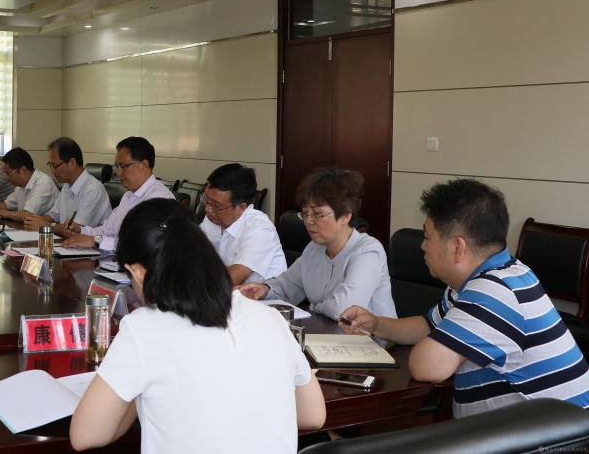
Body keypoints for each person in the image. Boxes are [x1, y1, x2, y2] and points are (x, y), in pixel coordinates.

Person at [70, 199, 325, 453]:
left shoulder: (143, 328)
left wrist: (138, 388)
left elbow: (85, 436)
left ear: (138, 272)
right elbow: (313, 416)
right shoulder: (270, 317)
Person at [340, 179, 589, 418]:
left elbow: (427, 367)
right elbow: (428, 325)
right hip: (526, 430)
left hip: (558, 436)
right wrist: (377, 324)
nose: (423, 246)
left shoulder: (496, 290)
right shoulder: (493, 274)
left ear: (457, 247)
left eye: (427, 237)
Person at [238, 167, 395, 321]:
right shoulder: (314, 249)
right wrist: (264, 289)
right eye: (305, 214)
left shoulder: (368, 252)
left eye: (318, 214)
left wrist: (313, 307)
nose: (309, 222)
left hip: (368, 337)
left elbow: (343, 310)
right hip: (325, 332)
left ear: (345, 216)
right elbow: (287, 286)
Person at [61, 137, 173, 251]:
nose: (118, 172)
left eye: (123, 166)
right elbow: (107, 231)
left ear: (143, 165)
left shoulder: (160, 199)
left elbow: (140, 244)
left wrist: (96, 241)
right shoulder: (128, 195)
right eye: (117, 166)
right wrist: (81, 230)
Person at [200, 163, 286, 285]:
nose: (208, 209)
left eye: (215, 205)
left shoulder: (260, 229)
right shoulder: (212, 218)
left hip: (264, 295)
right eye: (206, 200)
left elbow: (235, 277)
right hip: (225, 291)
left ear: (241, 207)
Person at [23, 137, 112, 232]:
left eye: (55, 166)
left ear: (72, 163)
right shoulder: (67, 185)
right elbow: (53, 216)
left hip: (91, 241)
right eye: (50, 165)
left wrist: (46, 226)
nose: (52, 171)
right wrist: (33, 221)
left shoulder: (93, 189)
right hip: (67, 239)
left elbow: (75, 230)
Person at [0, 147, 58, 221]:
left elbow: (27, 215)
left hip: (49, 227)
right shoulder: (21, 185)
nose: (7, 178)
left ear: (22, 170)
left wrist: (5, 213)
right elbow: (7, 204)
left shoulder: (43, 183)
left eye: (8, 173)